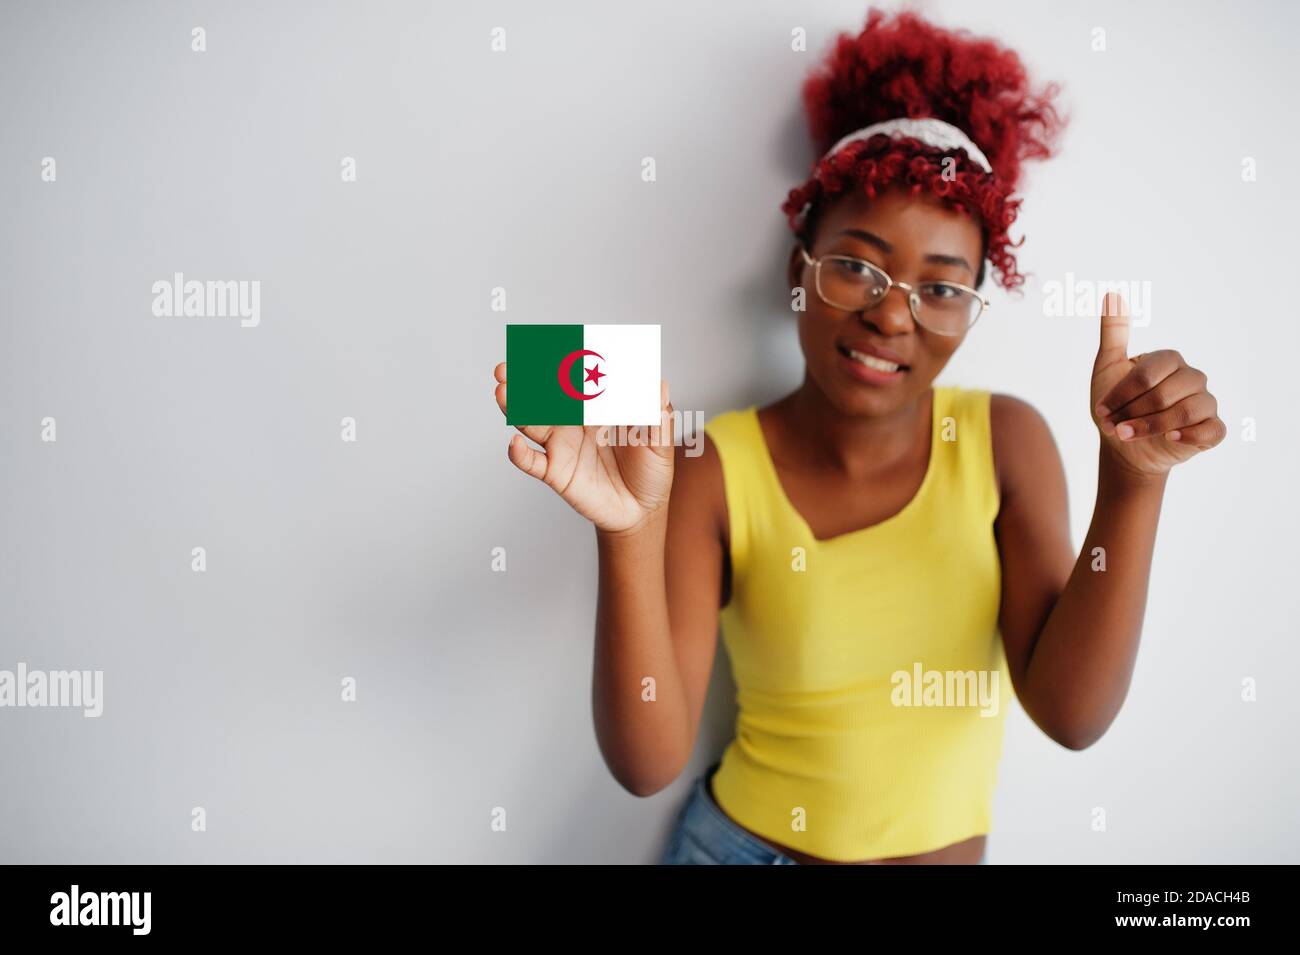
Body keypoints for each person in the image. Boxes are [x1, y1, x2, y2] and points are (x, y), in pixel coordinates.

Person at [492, 9, 1224, 864]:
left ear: (973, 309)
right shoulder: (710, 464)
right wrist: (626, 532)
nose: (890, 314)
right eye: (856, 265)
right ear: (797, 268)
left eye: (941, 287)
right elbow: (647, 762)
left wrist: (1133, 484)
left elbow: (1072, 714)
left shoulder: (1007, 444)